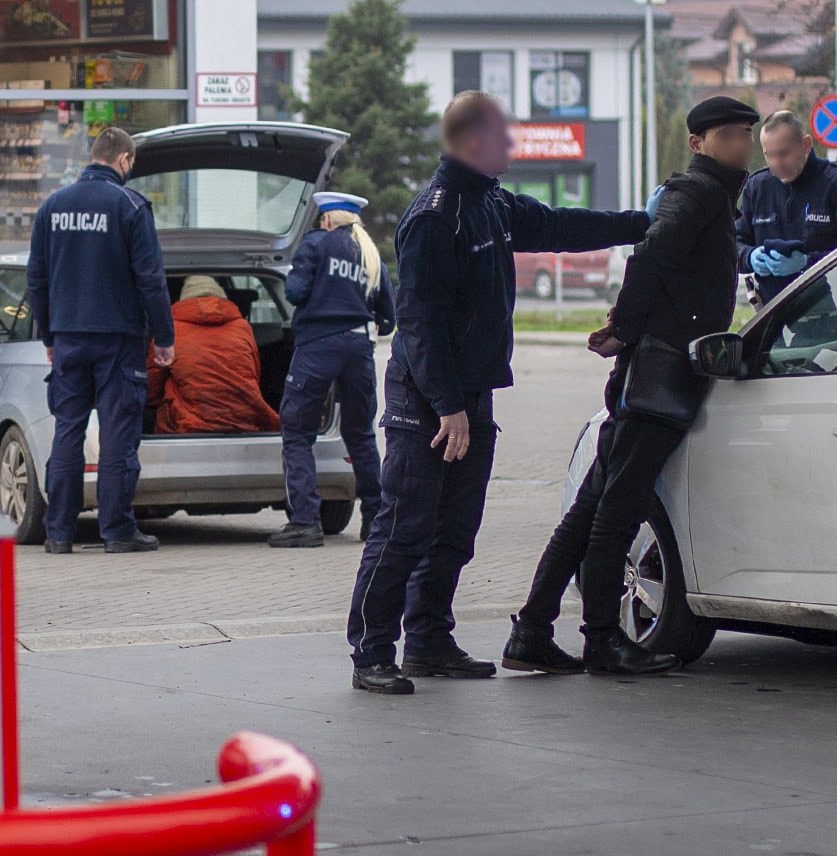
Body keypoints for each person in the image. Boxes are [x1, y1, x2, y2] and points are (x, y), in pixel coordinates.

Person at [347, 90, 649, 695]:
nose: (512, 145)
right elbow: (420, 322)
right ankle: (373, 652)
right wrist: (450, 407)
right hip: (427, 401)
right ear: (471, 142)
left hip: (471, 392)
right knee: (405, 527)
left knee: (455, 529)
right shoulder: (435, 216)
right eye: (503, 135)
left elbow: (559, 226)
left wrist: (644, 223)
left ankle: (428, 640)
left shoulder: (488, 203)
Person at [505, 95, 758, 678]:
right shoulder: (696, 193)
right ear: (699, 143)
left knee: (594, 506)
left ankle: (531, 630)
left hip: (653, 371)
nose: (741, 143)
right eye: (729, 134)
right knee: (615, 511)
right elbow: (647, 258)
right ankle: (600, 639)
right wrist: (624, 328)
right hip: (660, 375)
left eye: (746, 133)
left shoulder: (716, 196)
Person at [27, 126, 174, 555]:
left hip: (69, 339)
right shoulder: (130, 205)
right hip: (118, 340)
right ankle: (117, 530)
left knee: (67, 432)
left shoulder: (52, 207)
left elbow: (36, 279)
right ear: (124, 160)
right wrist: (164, 336)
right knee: (117, 435)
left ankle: (59, 533)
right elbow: (151, 278)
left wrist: (49, 334)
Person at [269, 192, 394, 549]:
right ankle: (375, 520)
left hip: (317, 348)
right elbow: (389, 319)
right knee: (361, 435)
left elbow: (293, 291)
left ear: (326, 218)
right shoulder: (369, 254)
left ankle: (305, 522)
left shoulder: (316, 244)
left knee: (297, 431)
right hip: (358, 350)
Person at [735, 110, 837, 304]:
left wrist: (807, 264)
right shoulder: (758, 186)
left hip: (834, 312)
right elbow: (734, 245)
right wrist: (750, 257)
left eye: (784, 153)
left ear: (806, 145)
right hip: (772, 314)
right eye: (770, 155)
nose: (777, 163)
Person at [144, 275, 278, 435]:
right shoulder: (243, 327)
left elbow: (151, 389)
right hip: (245, 422)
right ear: (221, 296)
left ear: (182, 299)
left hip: (189, 427)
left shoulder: (168, 332)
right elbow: (253, 375)